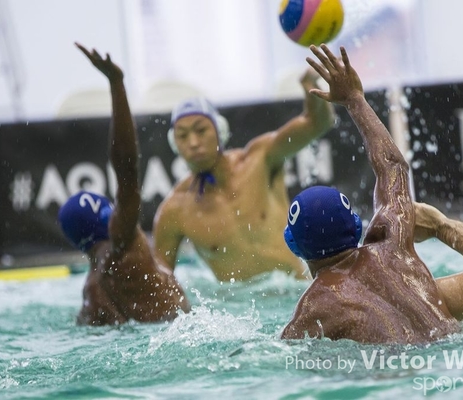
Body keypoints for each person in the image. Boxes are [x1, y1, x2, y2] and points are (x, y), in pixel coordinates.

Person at [280, 45, 463, 344]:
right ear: (357, 227)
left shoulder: (313, 309)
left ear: (294, 246)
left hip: (406, 368)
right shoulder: (393, 247)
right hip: (460, 349)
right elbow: (393, 166)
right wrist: (355, 100)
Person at [153, 68, 336, 282]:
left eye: (201, 130)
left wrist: (310, 87)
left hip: (295, 291)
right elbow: (160, 284)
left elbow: (317, 124)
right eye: (182, 136)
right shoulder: (174, 211)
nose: (193, 143)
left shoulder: (260, 159)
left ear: (220, 131)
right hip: (241, 303)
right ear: (174, 144)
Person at [58, 44, 190, 326]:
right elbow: (126, 169)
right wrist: (116, 83)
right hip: (179, 334)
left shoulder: (91, 293)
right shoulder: (122, 241)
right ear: (107, 216)